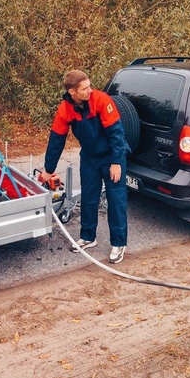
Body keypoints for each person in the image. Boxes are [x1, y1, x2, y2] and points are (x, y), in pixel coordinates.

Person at [40, 70, 130, 264]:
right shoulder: (65, 109)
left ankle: (119, 242)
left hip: (112, 156)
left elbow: (116, 134)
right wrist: (48, 170)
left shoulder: (101, 100)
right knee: (89, 197)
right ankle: (88, 237)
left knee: (116, 199)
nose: (90, 90)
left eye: (89, 85)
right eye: (84, 88)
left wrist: (116, 162)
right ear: (72, 92)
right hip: (90, 157)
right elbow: (56, 140)